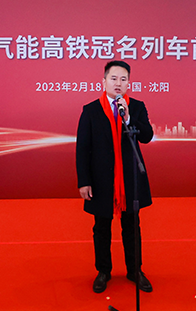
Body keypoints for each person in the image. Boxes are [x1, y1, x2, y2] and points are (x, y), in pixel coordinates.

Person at [76, 61, 154, 294]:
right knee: (101, 227)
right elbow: (83, 148)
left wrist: (128, 118)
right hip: (101, 179)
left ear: (129, 83)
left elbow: (147, 136)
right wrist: (84, 181)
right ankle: (103, 271)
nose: (118, 83)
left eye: (123, 79)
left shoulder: (136, 107)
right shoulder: (90, 110)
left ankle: (135, 270)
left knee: (132, 226)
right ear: (104, 81)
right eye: (113, 78)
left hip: (129, 178)